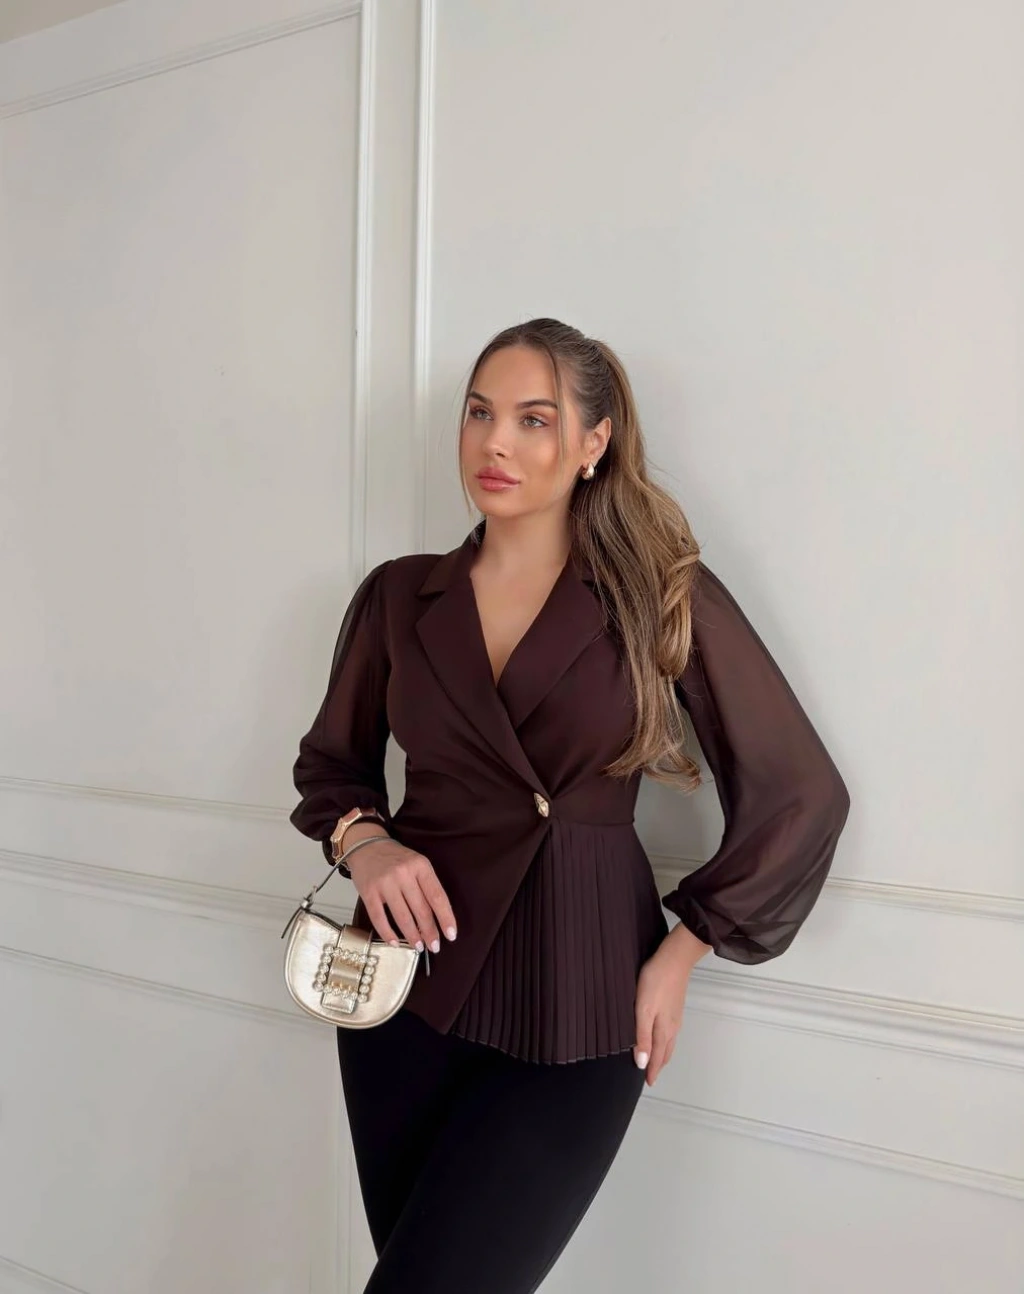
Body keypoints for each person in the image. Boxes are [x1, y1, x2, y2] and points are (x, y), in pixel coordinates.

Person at [288, 317, 851, 1293]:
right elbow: (330, 765)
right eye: (479, 414)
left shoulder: (656, 595)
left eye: (533, 419)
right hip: (406, 993)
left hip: (584, 995)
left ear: (594, 442)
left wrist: (682, 950)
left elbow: (802, 792)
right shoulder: (399, 597)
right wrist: (367, 843)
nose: (495, 443)